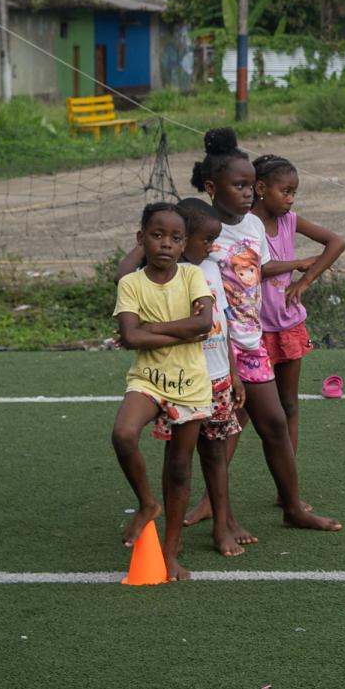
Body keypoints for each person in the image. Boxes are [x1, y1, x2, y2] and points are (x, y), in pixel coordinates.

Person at [193, 129, 339, 533]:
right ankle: (220, 514)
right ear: (211, 187)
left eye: (248, 187)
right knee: (217, 433)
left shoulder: (253, 228)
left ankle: (293, 507)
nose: (246, 195)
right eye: (238, 186)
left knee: (274, 423)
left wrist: (299, 269)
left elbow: (253, 275)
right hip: (217, 349)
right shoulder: (201, 232)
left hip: (251, 342)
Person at [110, 202, 216, 581]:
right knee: (122, 434)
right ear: (141, 239)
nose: (165, 244)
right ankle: (146, 503)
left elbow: (205, 323)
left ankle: (171, 551)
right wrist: (181, 327)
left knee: (179, 467)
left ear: (184, 243)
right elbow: (129, 335)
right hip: (148, 379)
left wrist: (152, 328)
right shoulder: (131, 283)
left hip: (190, 383)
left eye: (175, 238)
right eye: (156, 235)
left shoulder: (192, 276)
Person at [253, 153, 345, 452]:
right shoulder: (246, 226)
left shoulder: (290, 220)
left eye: (294, 193)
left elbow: (337, 243)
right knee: (244, 411)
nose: (291, 199)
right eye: (286, 191)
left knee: (289, 404)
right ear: (260, 189)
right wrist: (298, 263)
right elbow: (256, 269)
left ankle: (288, 478)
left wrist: (305, 280)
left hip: (288, 324)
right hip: (253, 330)